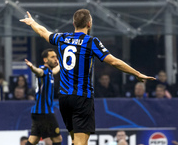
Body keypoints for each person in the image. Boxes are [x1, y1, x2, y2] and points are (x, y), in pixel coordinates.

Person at [20, 9, 155, 145]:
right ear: (89, 24)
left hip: (64, 98)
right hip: (81, 98)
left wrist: (32, 22)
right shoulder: (91, 42)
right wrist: (137, 73)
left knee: (75, 140)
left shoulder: (62, 38)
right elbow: (114, 61)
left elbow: (43, 32)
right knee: (80, 142)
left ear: (73, 23)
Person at [24, 49, 62, 145]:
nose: (55, 59)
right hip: (45, 113)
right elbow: (38, 72)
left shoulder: (49, 72)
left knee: (34, 140)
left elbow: (56, 69)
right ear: (45, 60)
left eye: (56, 57)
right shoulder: (44, 71)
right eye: (52, 57)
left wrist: (64, 61)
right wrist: (32, 67)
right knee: (57, 139)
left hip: (38, 112)